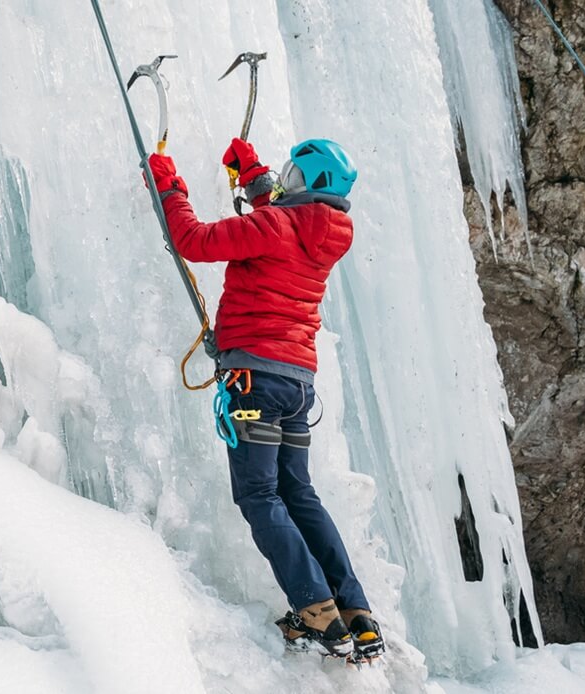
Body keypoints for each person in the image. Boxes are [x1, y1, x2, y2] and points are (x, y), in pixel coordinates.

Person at [147, 138, 385, 661]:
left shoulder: (276, 224)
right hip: (297, 384)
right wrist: (254, 177)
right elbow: (281, 222)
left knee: (259, 495)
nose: (284, 181)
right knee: (298, 493)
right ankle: (356, 612)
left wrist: (168, 185)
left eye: (292, 175)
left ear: (306, 183)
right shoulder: (327, 232)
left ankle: (315, 608)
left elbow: (192, 239)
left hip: (255, 379)